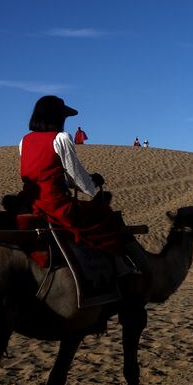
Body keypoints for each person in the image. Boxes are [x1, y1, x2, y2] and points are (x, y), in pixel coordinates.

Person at [19, 96, 133, 266]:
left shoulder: (24, 140)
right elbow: (76, 176)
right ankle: (123, 268)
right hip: (55, 206)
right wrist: (93, 188)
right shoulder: (61, 138)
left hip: (31, 202)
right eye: (63, 116)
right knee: (105, 215)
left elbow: (44, 174)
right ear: (56, 117)